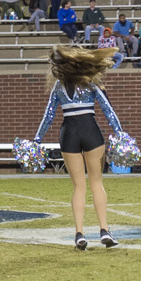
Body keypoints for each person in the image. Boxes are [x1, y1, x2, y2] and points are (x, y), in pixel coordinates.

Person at [34, 46, 126, 250]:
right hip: (90, 130)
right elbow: (107, 109)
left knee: (79, 186)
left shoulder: (58, 87)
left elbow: (48, 116)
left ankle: (79, 234)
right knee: (96, 182)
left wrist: (37, 140)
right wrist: (119, 131)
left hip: (68, 134)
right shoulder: (90, 82)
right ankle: (104, 230)